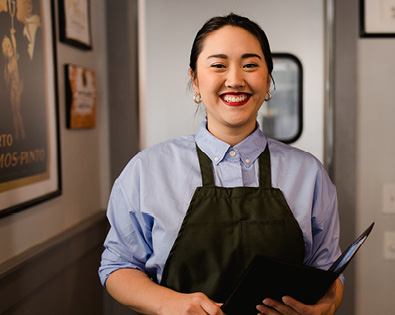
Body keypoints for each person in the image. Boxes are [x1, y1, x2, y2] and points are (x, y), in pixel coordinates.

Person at [99, 13, 343, 315]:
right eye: (218, 65)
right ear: (195, 81)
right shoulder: (147, 170)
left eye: (250, 65)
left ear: (268, 80)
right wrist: (169, 303)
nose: (235, 80)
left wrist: (323, 309)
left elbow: (328, 270)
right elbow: (118, 266)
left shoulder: (308, 174)